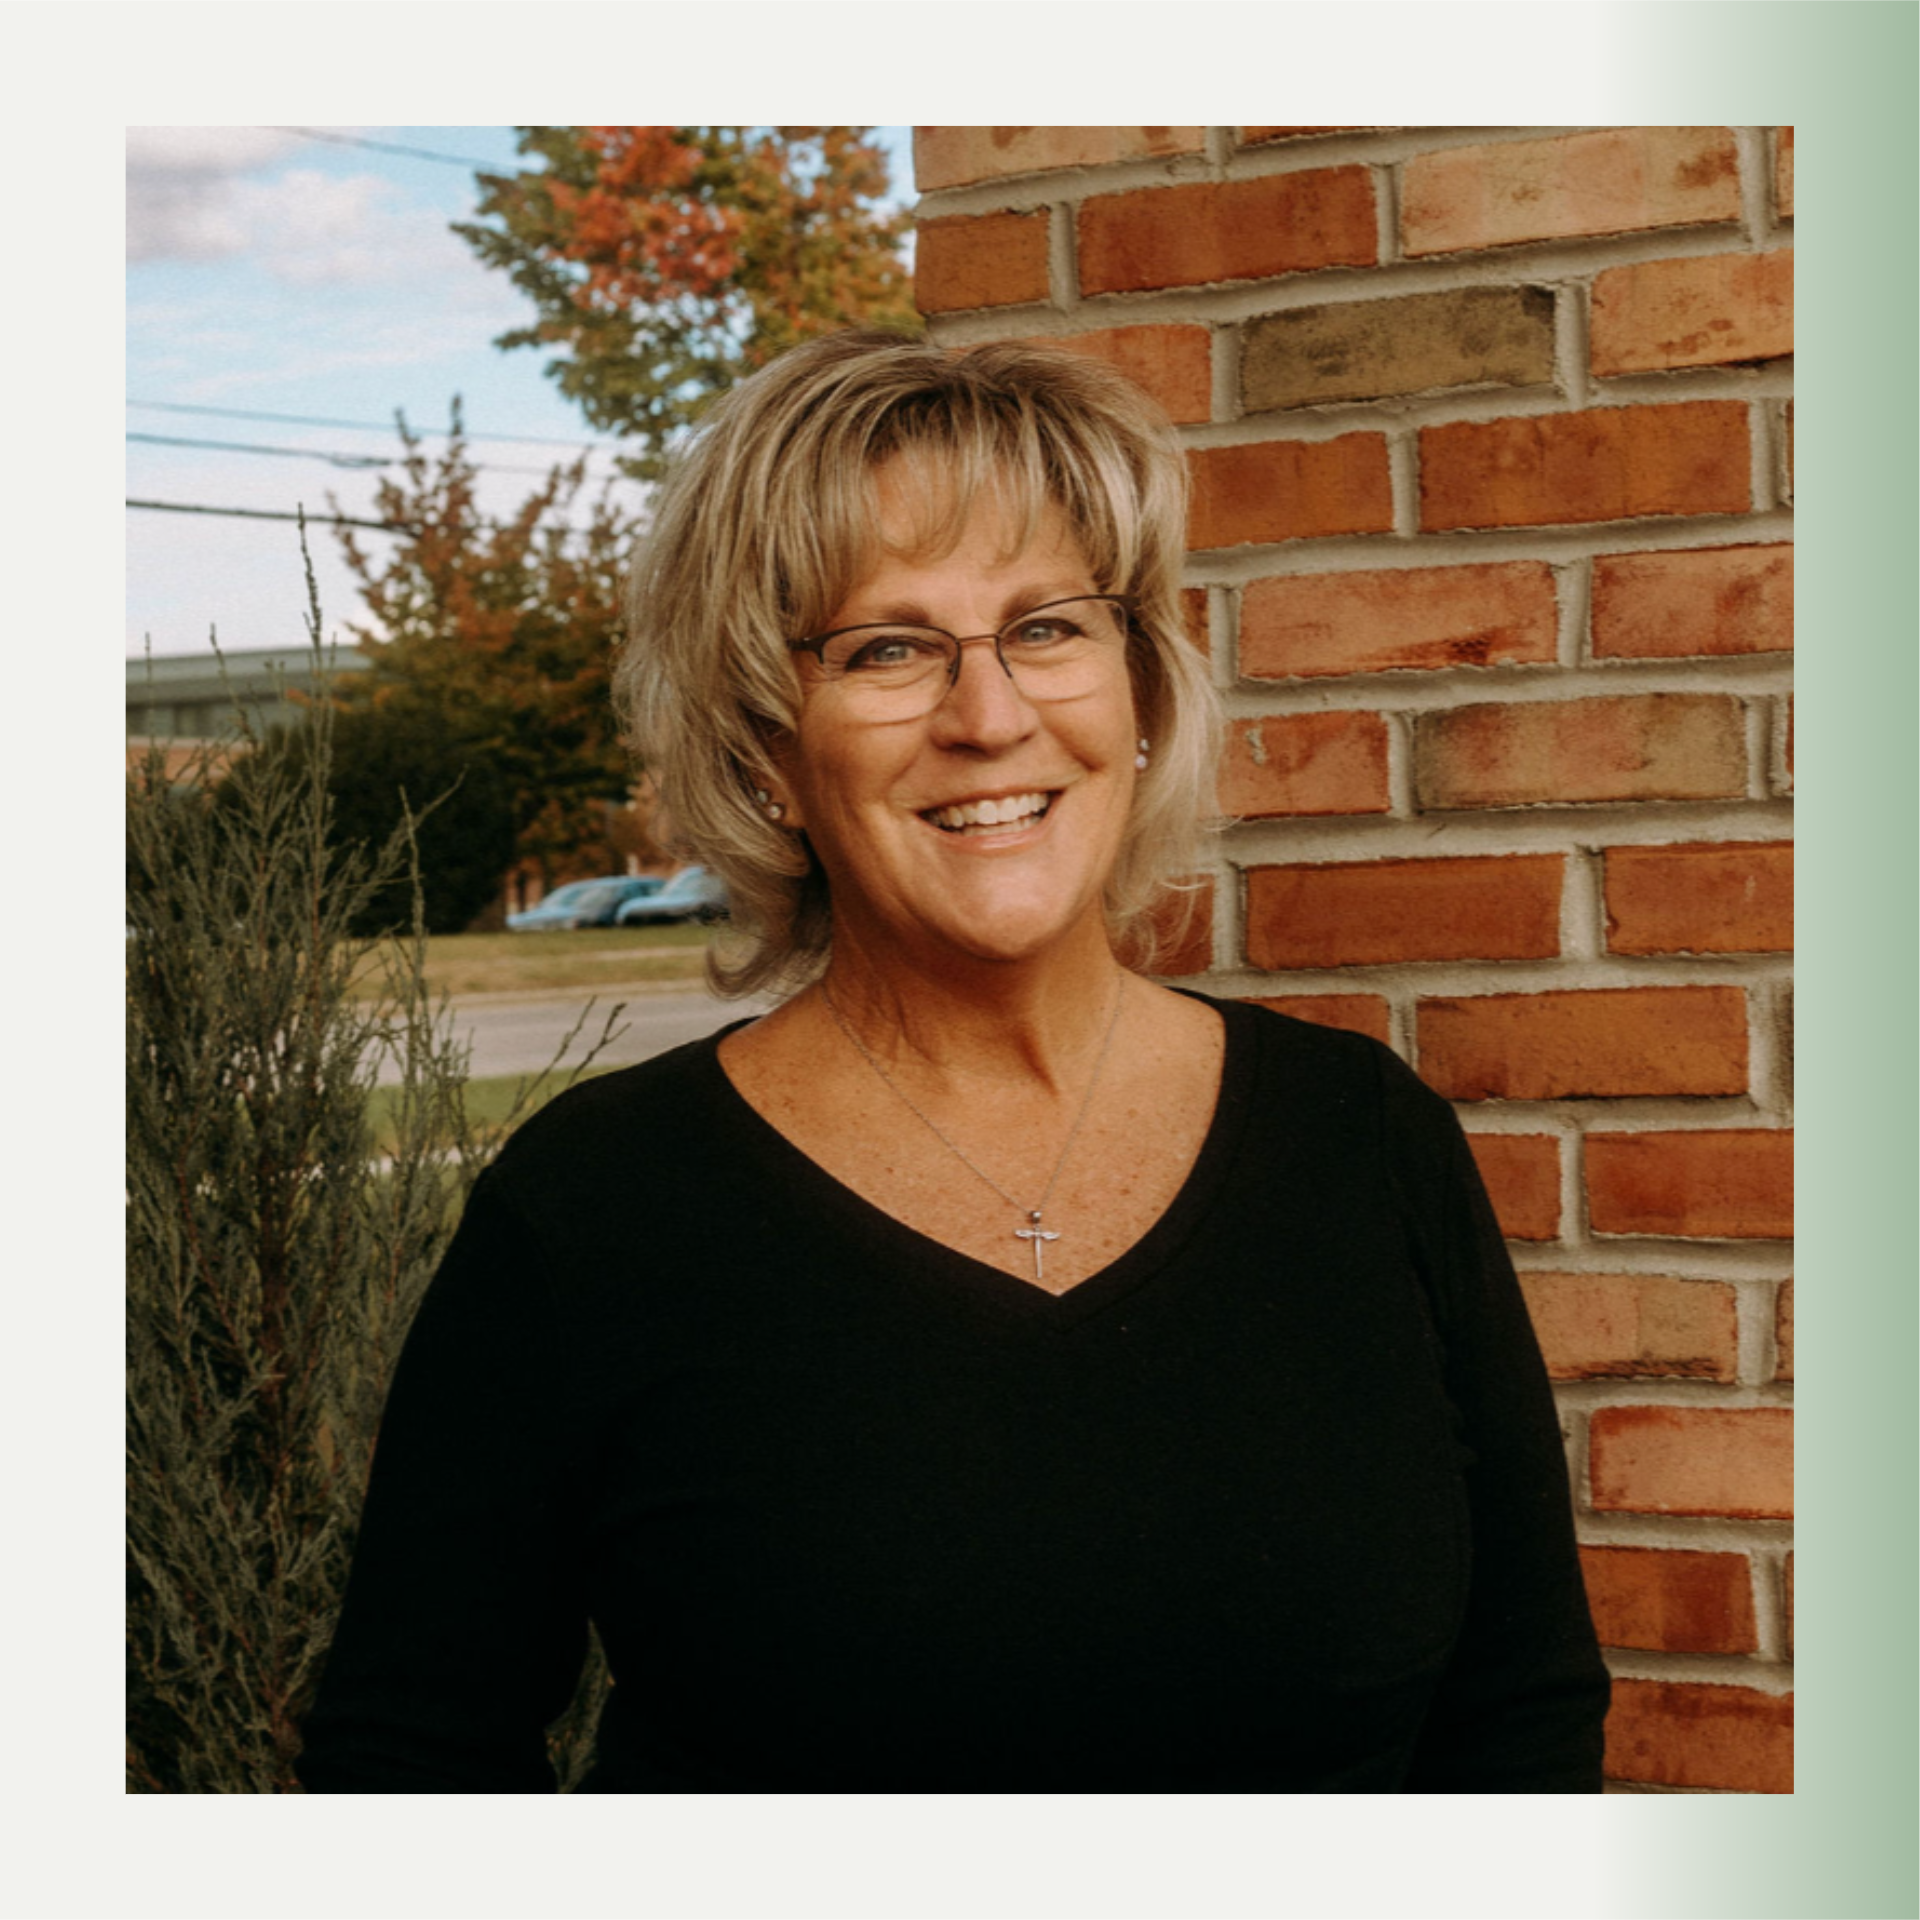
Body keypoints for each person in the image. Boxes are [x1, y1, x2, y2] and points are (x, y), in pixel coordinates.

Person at [296, 331, 1608, 1793]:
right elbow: (408, 1765)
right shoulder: (596, 1214)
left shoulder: (1366, 1141)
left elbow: (1523, 1710)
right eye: (888, 649)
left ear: (1141, 692)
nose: (990, 717)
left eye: (1049, 625)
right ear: (763, 756)